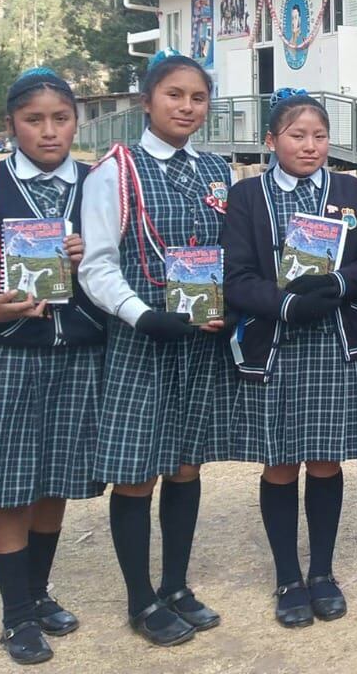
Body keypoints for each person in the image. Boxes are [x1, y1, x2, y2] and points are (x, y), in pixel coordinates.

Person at [0, 69, 104, 665]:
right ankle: (16, 616)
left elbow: (122, 266)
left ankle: (37, 593)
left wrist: (92, 257)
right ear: (12, 123)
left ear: (75, 122)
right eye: (34, 120)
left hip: (80, 349)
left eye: (61, 118)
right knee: (9, 485)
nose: (49, 131)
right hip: (8, 350)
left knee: (57, 478)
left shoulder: (98, 183)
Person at [77, 50, 233, 648]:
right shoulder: (115, 171)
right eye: (174, 95)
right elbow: (96, 265)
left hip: (199, 341)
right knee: (138, 471)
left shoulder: (216, 170)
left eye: (198, 97)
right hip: (142, 337)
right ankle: (140, 599)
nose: (186, 107)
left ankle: (175, 585)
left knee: (186, 465)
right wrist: (142, 315)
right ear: (146, 101)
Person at [224, 90, 357, 628]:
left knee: (325, 459)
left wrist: (338, 283)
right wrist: (285, 303)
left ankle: (321, 572)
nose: (310, 146)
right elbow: (236, 276)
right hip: (274, 343)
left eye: (320, 136)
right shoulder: (248, 196)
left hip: (332, 342)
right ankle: (286, 576)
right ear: (271, 140)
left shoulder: (349, 191)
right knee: (280, 462)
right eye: (297, 135)